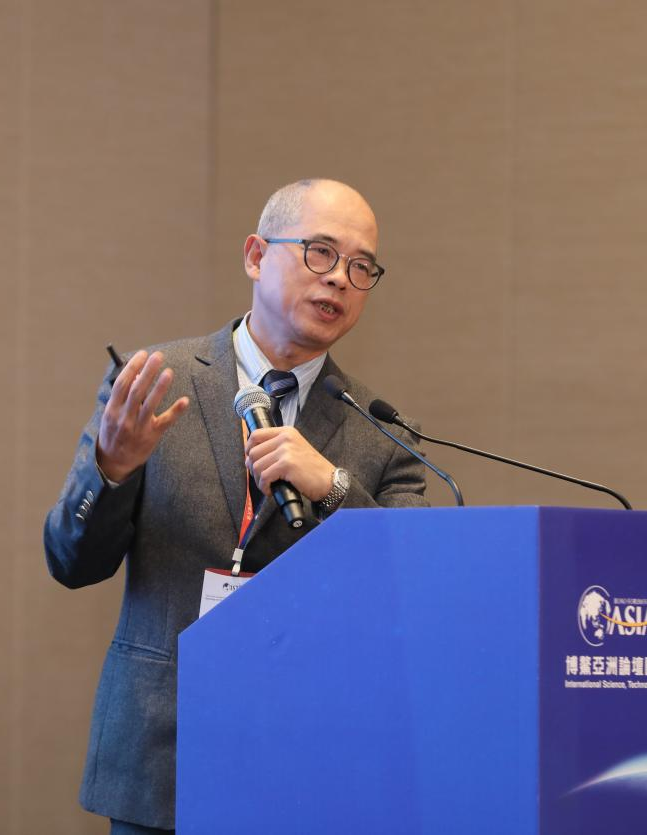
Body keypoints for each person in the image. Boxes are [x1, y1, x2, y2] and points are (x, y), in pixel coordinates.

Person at [43, 179, 428, 834]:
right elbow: (71, 562)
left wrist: (332, 486)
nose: (339, 278)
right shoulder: (152, 385)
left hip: (312, 759)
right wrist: (112, 468)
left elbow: (413, 581)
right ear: (255, 255)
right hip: (160, 756)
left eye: (362, 266)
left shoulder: (380, 429)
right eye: (320, 252)